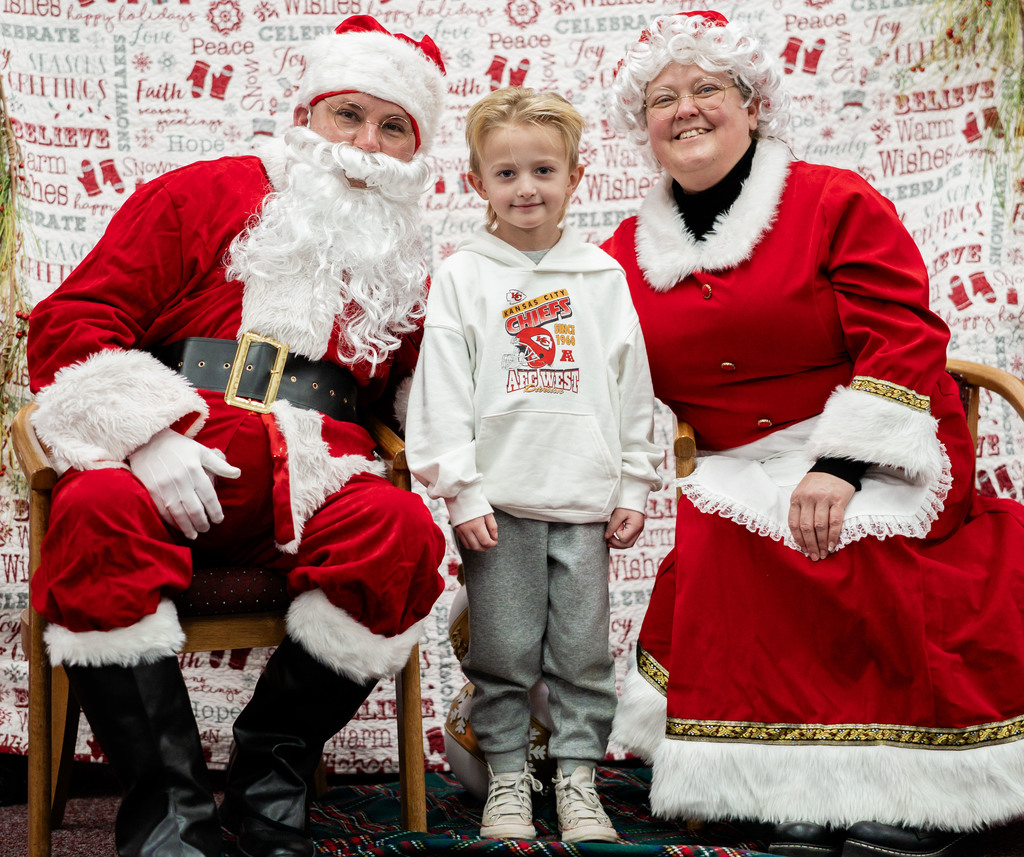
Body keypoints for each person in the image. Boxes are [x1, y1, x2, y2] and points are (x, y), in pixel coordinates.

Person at [601, 10, 1024, 857]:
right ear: (642, 129)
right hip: (735, 457)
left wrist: (841, 461)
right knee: (726, 535)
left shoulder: (834, 199)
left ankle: (916, 792)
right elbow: (602, 374)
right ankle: (781, 787)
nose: (685, 109)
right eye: (662, 98)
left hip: (877, 432)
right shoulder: (620, 253)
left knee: (859, 535)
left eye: (707, 89)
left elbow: (902, 331)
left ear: (753, 105)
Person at [26, 15, 448, 857]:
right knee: (96, 507)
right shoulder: (202, 192)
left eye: (393, 125)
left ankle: (268, 780)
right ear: (306, 115)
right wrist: (150, 434)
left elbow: (421, 388)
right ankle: (169, 811)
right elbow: (72, 321)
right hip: (175, 454)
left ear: (416, 150)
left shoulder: (405, 255)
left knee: (401, 533)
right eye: (349, 114)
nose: (367, 142)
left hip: (320, 472)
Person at [405, 87, 662, 843]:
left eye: (544, 170)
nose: (526, 188)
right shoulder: (464, 274)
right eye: (507, 173)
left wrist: (635, 483)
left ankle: (579, 780)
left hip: (584, 498)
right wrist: (462, 490)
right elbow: (441, 393)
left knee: (582, 655)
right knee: (504, 652)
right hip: (499, 504)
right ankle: (509, 779)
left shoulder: (601, 277)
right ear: (477, 182)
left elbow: (633, 387)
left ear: (575, 176)